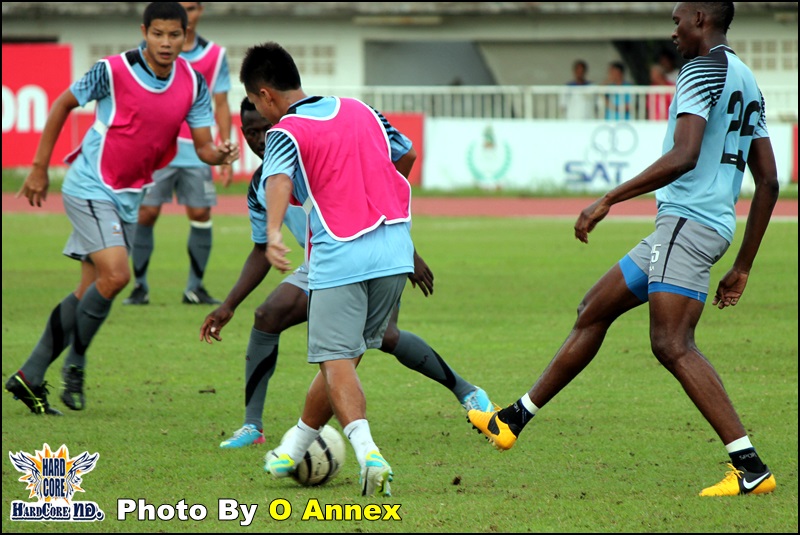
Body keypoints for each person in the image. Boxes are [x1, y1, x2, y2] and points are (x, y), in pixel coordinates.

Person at [469, 2, 779, 498]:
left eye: (678, 19)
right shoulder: (747, 80)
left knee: (672, 343)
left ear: (700, 18)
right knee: (593, 309)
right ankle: (512, 420)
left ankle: (750, 467)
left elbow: (684, 155)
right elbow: (769, 181)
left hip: (687, 223)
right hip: (694, 227)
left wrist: (608, 198)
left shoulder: (699, 70)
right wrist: (741, 264)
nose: (673, 30)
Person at [201, 98, 496, 450]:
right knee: (267, 315)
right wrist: (229, 304)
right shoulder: (261, 186)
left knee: (386, 337)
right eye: (251, 132)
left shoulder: (320, 158)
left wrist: (409, 252)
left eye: (265, 128)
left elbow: (376, 201)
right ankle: (252, 426)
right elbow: (261, 249)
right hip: (320, 265)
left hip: (365, 257)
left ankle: (468, 392)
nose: (260, 139)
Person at [4, 2, 239, 415]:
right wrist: (39, 167)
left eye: (174, 35)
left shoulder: (192, 82)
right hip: (91, 185)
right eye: (158, 34)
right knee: (116, 276)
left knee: (90, 290)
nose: (166, 43)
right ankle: (76, 364)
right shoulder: (112, 70)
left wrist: (218, 155)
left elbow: (203, 145)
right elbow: (62, 104)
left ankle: (29, 375)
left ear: (185, 36)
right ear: (144, 32)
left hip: (129, 195)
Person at [239, 41, 430, 497]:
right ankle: (293, 448)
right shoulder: (361, 110)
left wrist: (273, 233)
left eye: (255, 103)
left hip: (340, 251)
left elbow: (278, 179)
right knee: (345, 359)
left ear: (265, 94)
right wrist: (372, 194)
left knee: (334, 359)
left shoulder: (285, 131)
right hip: (395, 250)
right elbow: (405, 155)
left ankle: (369, 453)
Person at [123, 1, 232, 306]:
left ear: (200, 12)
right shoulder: (146, 52)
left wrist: (224, 147)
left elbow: (221, 103)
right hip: (157, 147)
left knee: (200, 213)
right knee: (146, 212)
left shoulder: (215, 55)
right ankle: (139, 286)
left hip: (199, 148)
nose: (189, 12)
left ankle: (195, 288)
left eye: (193, 7)